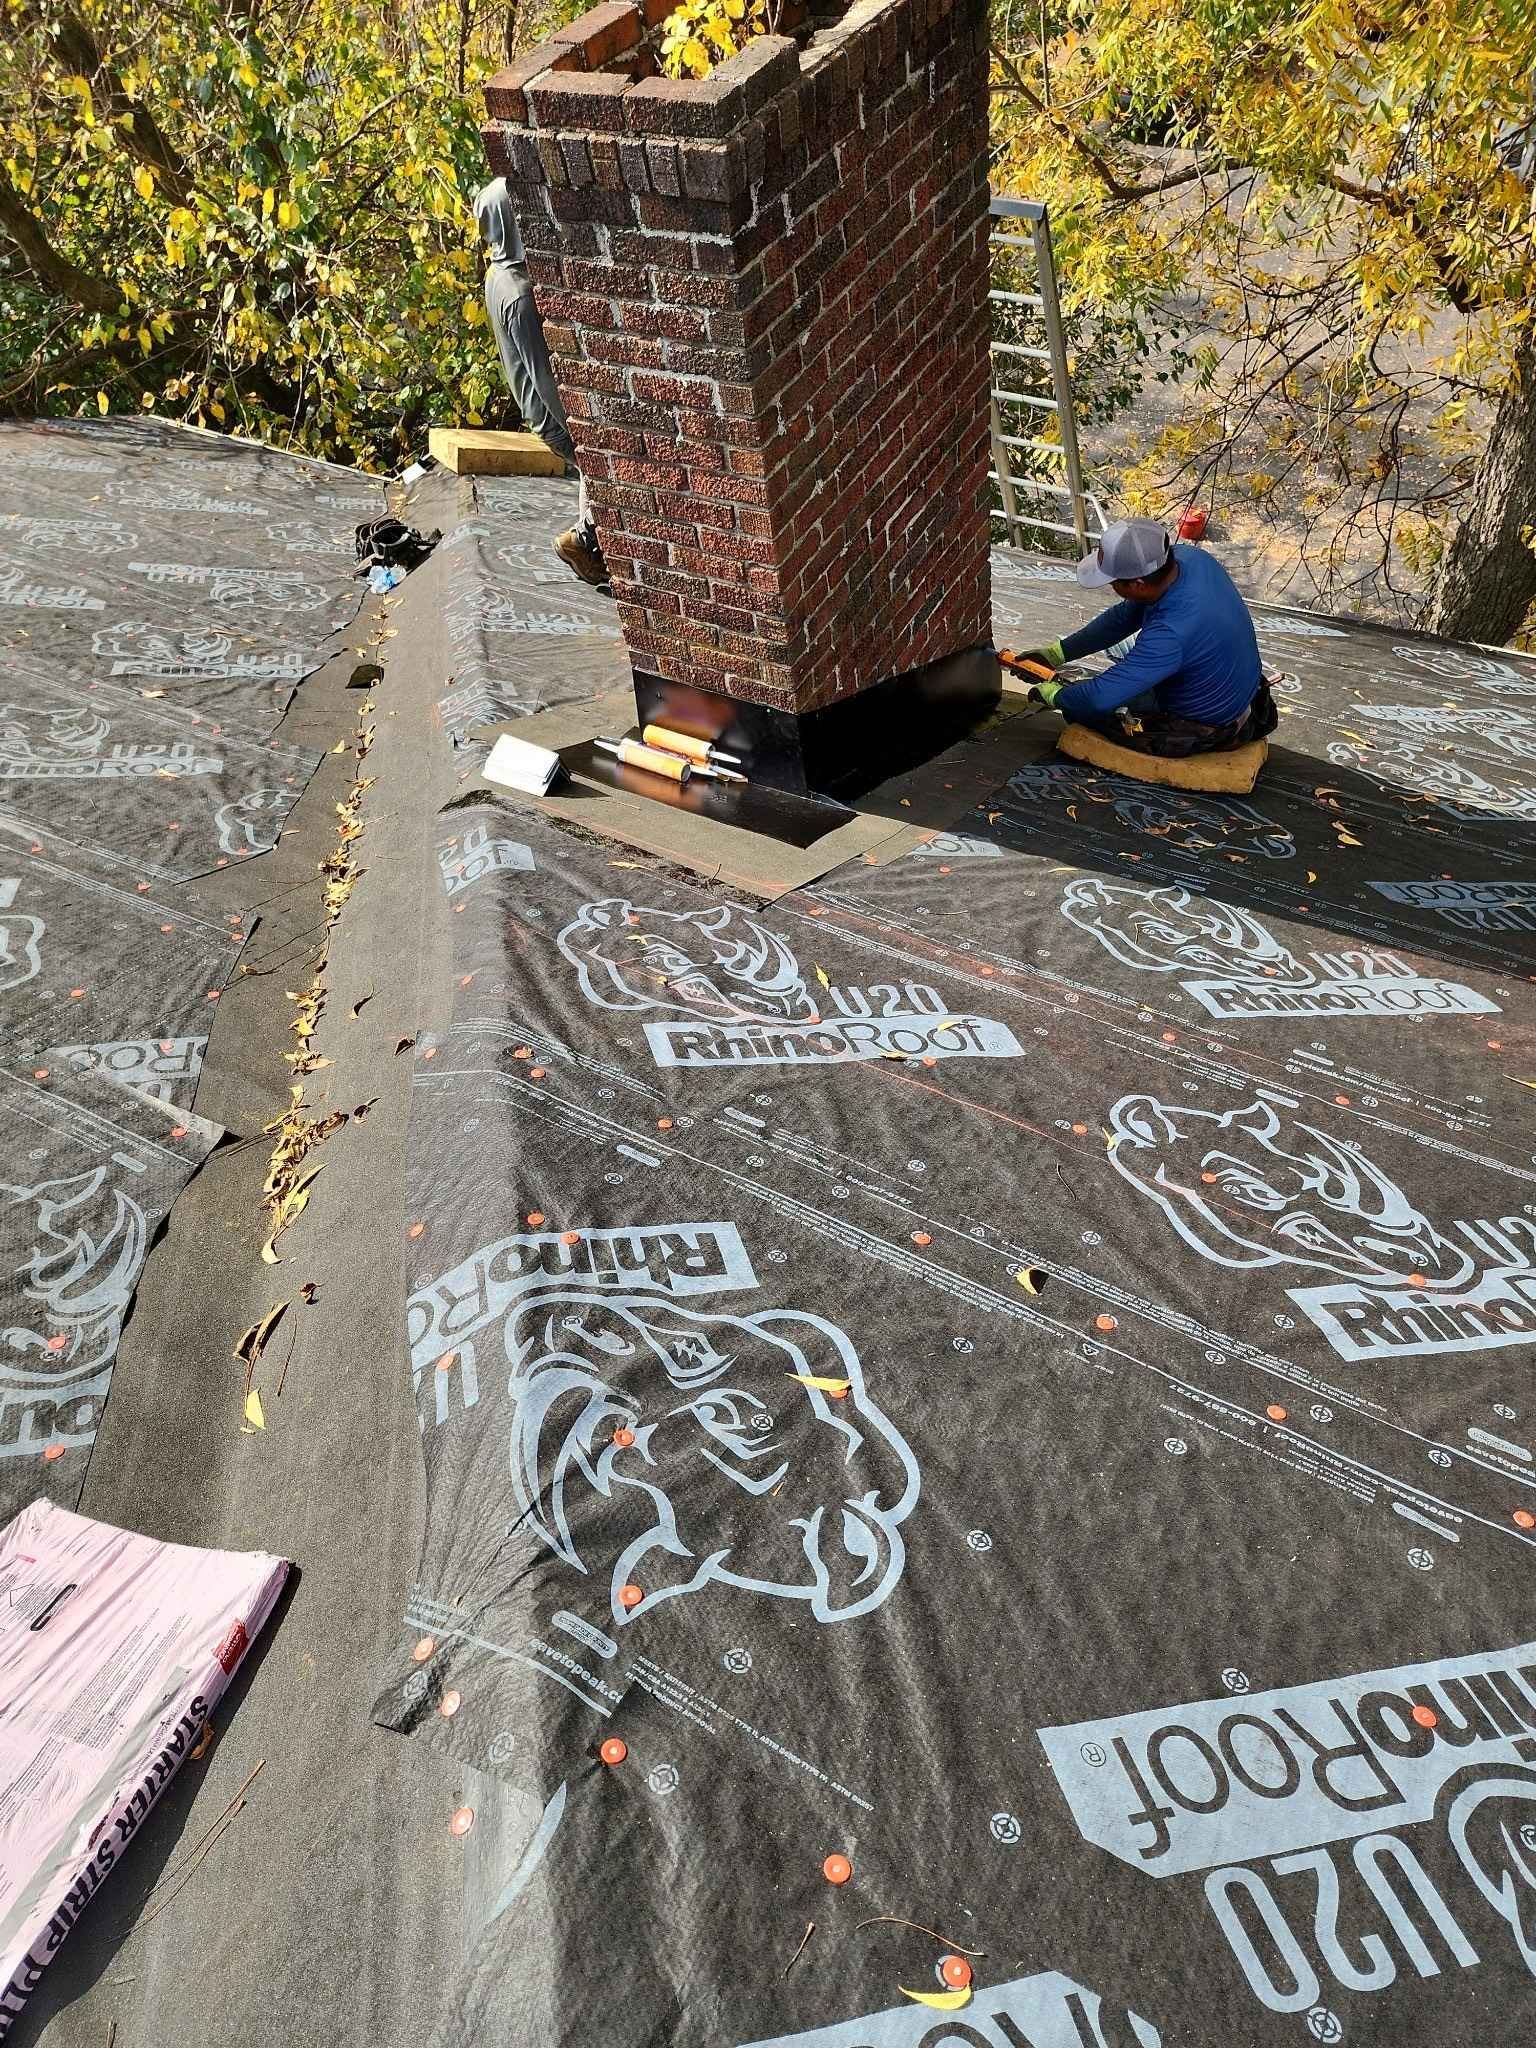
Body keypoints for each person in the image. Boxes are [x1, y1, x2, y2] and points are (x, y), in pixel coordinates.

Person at [1022, 518, 1276, 756]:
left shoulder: (1170, 634)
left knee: (1084, 708)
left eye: (1114, 583)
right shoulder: (1192, 558)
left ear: (1138, 584)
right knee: (1120, 659)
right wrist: (1058, 652)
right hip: (1232, 685)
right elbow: (1122, 618)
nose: (1112, 589)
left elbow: (1097, 700)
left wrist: (1056, 696)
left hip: (1208, 723)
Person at [472, 178, 608, 589]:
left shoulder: (497, 274)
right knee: (600, 466)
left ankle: (589, 540)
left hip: (540, 411)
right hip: (551, 416)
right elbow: (545, 378)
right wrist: (585, 434)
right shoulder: (519, 294)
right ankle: (582, 541)